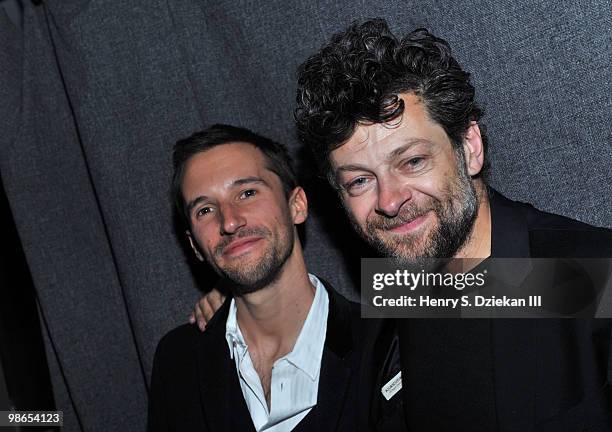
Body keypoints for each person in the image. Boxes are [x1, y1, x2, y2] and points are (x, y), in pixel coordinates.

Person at [193, 19, 612, 431]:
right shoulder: (400, 294)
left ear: (469, 148)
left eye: (412, 161)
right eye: (359, 181)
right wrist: (236, 300)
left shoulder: (592, 275)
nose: (390, 200)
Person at [149, 124, 363, 432]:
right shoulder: (178, 360)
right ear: (194, 245)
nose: (230, 221)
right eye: (205, 210)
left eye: (247, 193)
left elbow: (456, 292)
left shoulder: (386, 335)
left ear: (296, 205)